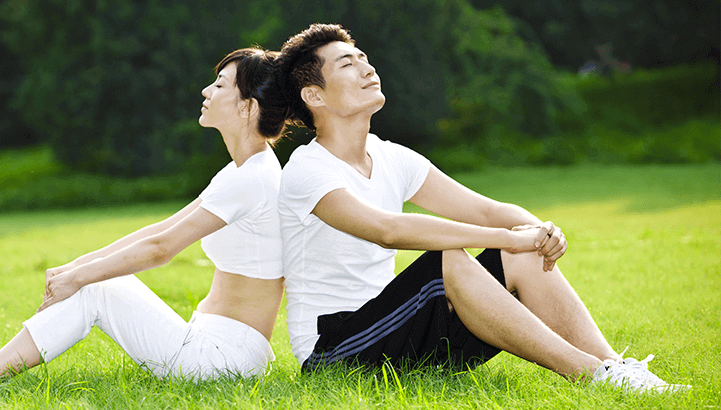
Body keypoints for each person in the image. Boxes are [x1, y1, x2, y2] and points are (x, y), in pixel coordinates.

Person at [276, 23, 688, 392]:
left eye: (365, 59)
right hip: (336, 351)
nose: (368, 69)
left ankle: (618, 369)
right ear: (314, 94)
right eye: (348, 63)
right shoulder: (307, 169)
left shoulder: (392, 157)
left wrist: (539, 230)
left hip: (402, 335)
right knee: (448, 259)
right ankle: (593, 375)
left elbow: (489, 211)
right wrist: (507, 238)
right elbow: (387, 229)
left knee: (517, 254)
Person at [0, 47, 288, 393]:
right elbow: (160, 229)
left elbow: (161, 248)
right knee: (94, 282)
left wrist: (78, 279)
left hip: (220, 360)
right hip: (217, 348)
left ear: (247, 107)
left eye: (221, 84)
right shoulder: (243, 171)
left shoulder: (251, 177)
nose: (207, 90)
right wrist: (75, 266)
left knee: (98, 288)